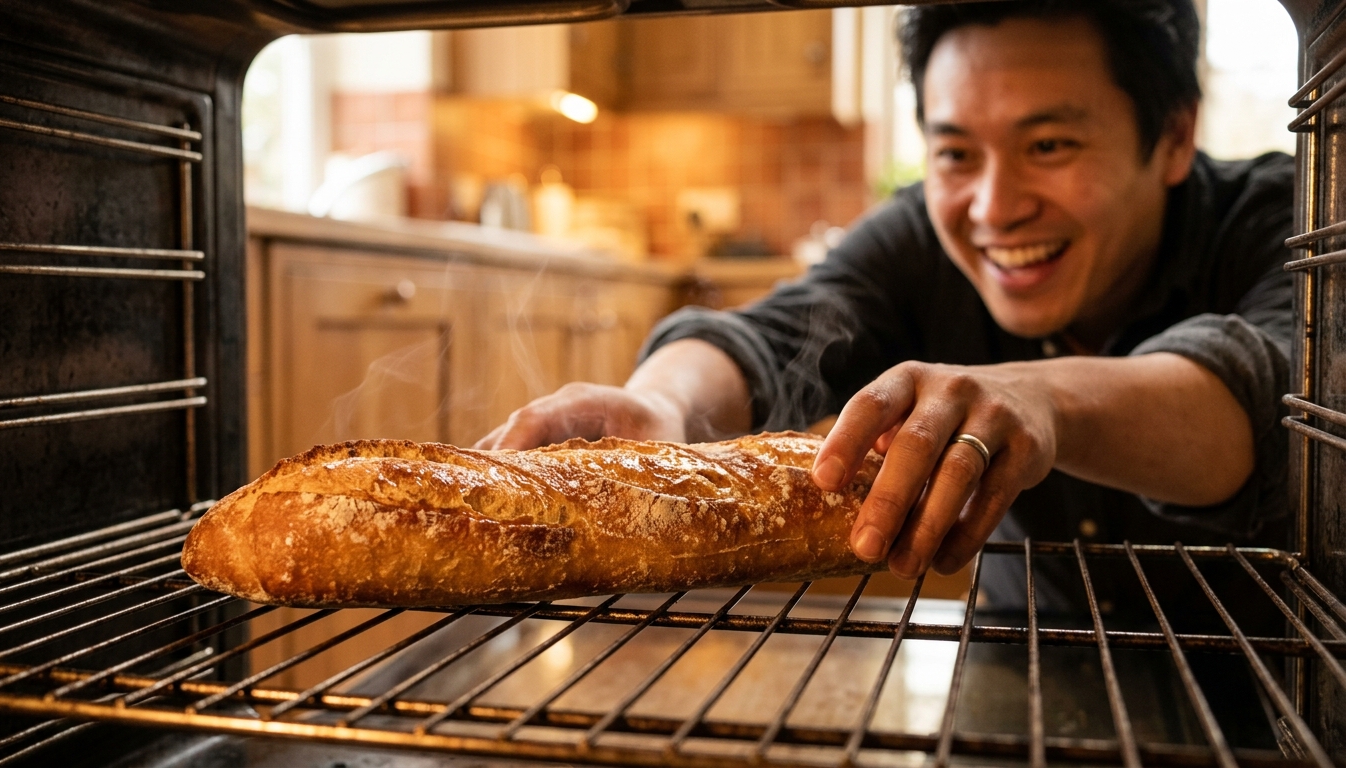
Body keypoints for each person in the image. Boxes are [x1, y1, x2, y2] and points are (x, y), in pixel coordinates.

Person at [476, 0, 1293, 618]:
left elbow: (1266, 404)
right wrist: (664, 402)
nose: (993, 208)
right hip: (1024, 681)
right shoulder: (918, 241)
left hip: (1271, 703)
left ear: (1176, 135)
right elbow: (777, 330)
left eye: (1049, 146)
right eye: (955, 155)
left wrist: (1043, 402)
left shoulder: (1286, 218)